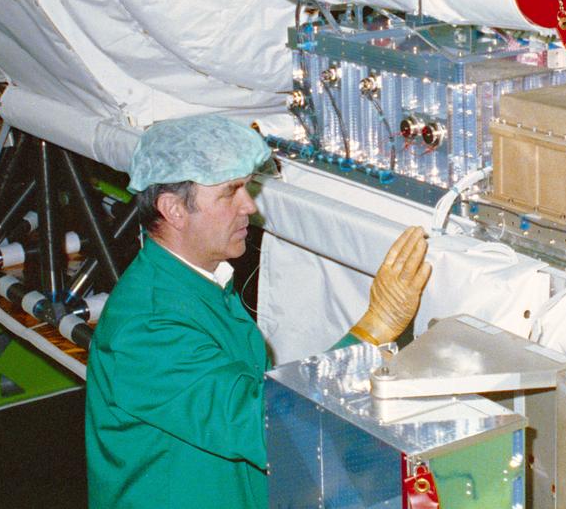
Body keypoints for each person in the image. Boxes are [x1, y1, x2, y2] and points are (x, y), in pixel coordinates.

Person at [84, 114, 431, 509]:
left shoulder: (200, 284)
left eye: (246, 187)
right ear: (174, 210)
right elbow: (262, 424)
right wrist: (372, 330)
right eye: (230, 192)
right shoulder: (146, 326)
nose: (249, 205)